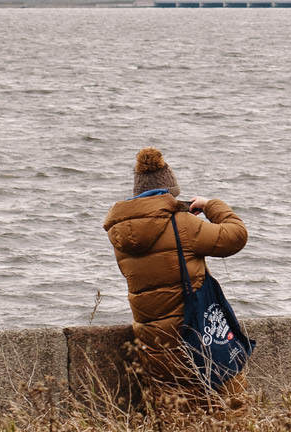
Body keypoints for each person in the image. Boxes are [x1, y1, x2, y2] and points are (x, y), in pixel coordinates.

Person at [102, 146, 249, 409]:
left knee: (173, 421)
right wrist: (210, 205)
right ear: (171, 193)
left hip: (153, 346)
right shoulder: (184, 225)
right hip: (195, 337)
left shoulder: (121, 235)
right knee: (229, 409)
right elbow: (235, 236)